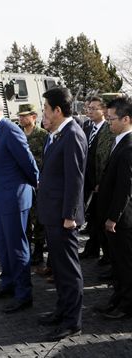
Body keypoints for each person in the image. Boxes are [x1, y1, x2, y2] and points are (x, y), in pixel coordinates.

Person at [0, 91, 38, 315]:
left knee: (17, 247)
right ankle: (8, 284)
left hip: (14, 199)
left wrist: (34, 186)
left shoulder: (10, 130)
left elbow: (29, 164)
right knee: (3, 247)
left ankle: (24, 295)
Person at [37, 87, 87, 341]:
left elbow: (75, 180)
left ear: (58, 110)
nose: (43, 113)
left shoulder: (73, 135)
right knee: (58, 267)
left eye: (46, 109)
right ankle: (61, 310)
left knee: (68, 270)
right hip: (52, 213)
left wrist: (71, 215)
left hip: (63, 217)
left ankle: (72, 322)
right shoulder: (56, 134)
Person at [95, 96, 132, 319]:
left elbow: (125, 189)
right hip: (114, 218)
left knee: (126, 266)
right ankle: (117, 300)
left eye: (112, 119)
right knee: (117, 265)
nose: (109, 123)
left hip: (122, 221)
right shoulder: (119, 141)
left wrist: (113, 218)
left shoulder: (129, 147)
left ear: (126, 119)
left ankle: (126, 306)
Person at [80, 96, 115, 265]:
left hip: (100, 183)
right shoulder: (87, 127)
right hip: (87, 180)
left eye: (94, 108)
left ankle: (107, 255)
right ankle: (92, 249)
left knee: (101, 218)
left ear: (104, 110)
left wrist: (101, 181)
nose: (90, 111)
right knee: (92, 218)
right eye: (89, 108)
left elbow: (107, 158)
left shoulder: (109, 129)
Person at [17, 104, 48, 266]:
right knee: (25, 219)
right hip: (22, 185)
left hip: (38, 184)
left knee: (39, 219)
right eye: (20, 116)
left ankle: (38, 251)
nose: (21, 119)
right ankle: (26, 251)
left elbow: (48, 160)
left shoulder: (43, 135)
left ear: (34, 117)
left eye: (24, 116)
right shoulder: (18, 135)